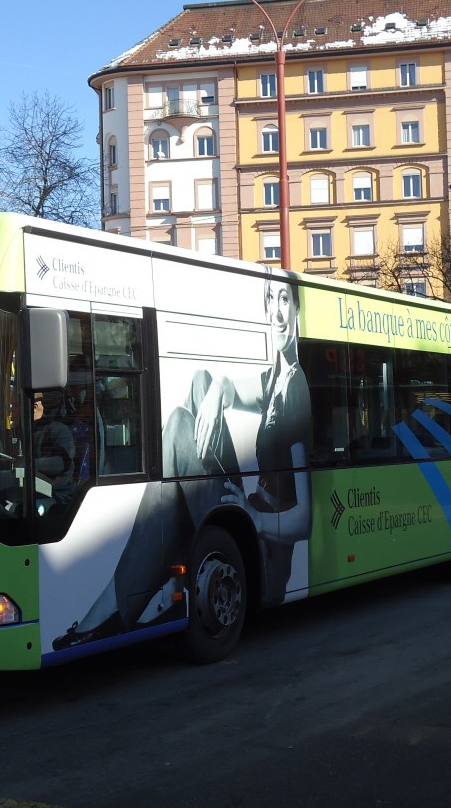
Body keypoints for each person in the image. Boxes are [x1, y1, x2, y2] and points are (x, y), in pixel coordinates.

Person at [54, 277, 311, 650]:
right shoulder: (274, 379)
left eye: (284, 298)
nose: (276, 310)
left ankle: (111, 611)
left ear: (296, 309)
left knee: (176, 426)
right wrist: (218, 389)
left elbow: (305, 518)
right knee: (200, 382)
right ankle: (118, 608)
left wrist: (254, 519)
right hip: (250, 507)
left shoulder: (297, 389)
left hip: (268, 546)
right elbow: (222, 385)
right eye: (270, 299)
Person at [32, 391, 75, 507]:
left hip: (56, 495)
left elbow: (62, 462)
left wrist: (28, 465)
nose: (12, 411)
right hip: (33, 489)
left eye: (15, 406)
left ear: (35, 407)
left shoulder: (59, 431)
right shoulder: (26, 432)